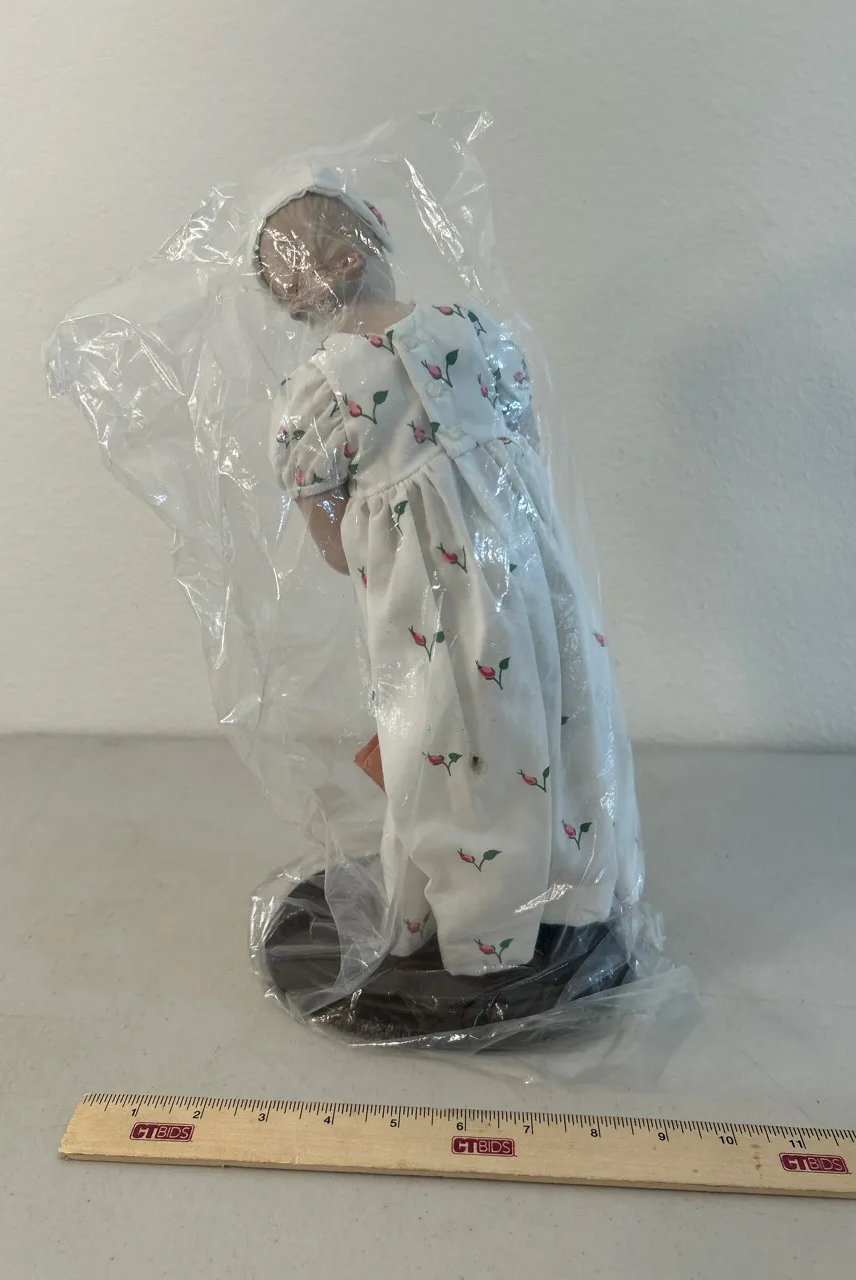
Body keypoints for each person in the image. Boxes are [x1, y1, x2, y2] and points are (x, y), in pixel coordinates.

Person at [257, 167, 642, 998]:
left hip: (425, 598)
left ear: (338, 265)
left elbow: (327, 530)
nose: (284, 298)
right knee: (547, 704)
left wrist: (382, 531)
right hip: (525, 568)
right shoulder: (473, 328)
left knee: (446, 742)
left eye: (286, 277)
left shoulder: (318, 387)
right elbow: (521, 438)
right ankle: (564, 884)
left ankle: (476, 923)